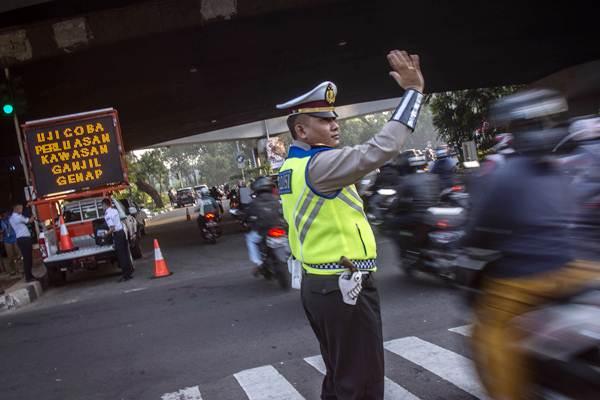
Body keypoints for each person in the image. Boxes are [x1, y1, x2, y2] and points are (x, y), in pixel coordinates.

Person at [277, 50, 425, 399]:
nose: (335, 124)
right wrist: (413, 93)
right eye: (324, 120)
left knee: (342, 377)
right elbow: (382, 147)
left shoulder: (292, 168)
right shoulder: (321, 165)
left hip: (319, 285)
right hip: (343, 286)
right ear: (301, 129)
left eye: (334, 118)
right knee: (363, 384)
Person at [464, 89, 600, 399]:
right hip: (577, 268)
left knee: (491, 333)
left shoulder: (503, 175)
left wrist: (470, 240)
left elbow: (478, 230)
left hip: (524, 279)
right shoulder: (568, 166)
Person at [387, 153, 440, 249]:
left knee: (392, 224)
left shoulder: (407, 180)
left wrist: (392, 210)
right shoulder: (433, 177)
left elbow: (398, 200)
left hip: (418, 216)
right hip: (434, 215)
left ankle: (403, 249)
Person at [244, 176, 285, 276]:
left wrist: (246, 221)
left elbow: (247, 216)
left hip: (262, 231)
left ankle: (259, 263)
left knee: (250, 239)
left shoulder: (254, 203)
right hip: (280, 228)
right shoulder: (278, 200)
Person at [101, 198, 133, 282]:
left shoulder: (107, 215)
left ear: (105, 205)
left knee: (121, 256)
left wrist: (105, 234)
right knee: (126, 254)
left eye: (102, 206)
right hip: (122, 232)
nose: (102, 207)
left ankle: (125, 275)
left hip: (117, 235)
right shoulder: (115, 211)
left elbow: (112, 228)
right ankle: (129, 273)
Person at [9, 203, 35, 282]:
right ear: (17, 209)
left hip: (21, 239)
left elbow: (24, 217)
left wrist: (27, 208)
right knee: (28, 258)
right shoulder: (18, 217)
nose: (21, 210)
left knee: (27, 258)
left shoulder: (12, 217)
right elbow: (30, 221)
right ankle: (28, 277)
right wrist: (33, 213)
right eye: (21, 209)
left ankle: (29, 275)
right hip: (24, 239)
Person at [1, 210, 20, 276]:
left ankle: (20, 269)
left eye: (6, 213)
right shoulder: (1, 222)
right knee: (10, 256)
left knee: (18, 255)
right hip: (7, 241)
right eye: (3, 215)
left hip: (14, 238)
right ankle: (12, 270)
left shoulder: (11, 219)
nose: (5, 215)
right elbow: (2, 231)